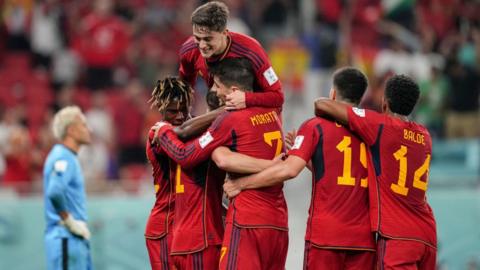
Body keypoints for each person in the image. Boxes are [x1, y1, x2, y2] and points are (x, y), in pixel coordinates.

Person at [223, 67, 376, 269]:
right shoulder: (374, 132)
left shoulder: (315, 126)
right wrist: (307, 155)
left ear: (332, 93)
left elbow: (288, 170)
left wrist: (241, 183)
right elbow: (338, 172)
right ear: (361, 98)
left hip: (325, 237)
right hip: (363, 239)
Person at [154, 58, 288, 270]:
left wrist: (163, 132)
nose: (214, 90)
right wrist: (276, 167)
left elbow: (188, 156)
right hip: (278, 222)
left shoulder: (229, 121)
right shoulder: (273, 115)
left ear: (233, 90)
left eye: (217, 85)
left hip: (246, 220)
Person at [313, 75, 437, 269]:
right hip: (427, 236)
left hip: (397, 237)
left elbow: (323, 104)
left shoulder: (380, 126)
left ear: (385, 103)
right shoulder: (425, 135)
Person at [179, 1, 283, 111]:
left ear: (224, 33)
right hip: (220, 111)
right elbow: (185, 87)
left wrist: (246, 99)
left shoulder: (252, 52)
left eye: (208, 39)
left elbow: (278, 97)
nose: (202, 46)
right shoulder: (188, 51)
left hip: (256, 112)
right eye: (197, 38)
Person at [144, 77, 193, 270]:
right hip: (164, 226)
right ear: (161, 109)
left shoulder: (189, 129)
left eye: (184, 109)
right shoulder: (157, 133)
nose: (180, 115)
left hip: (185, 225)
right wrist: (222, 112)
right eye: (173, 111)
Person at [43, 106, 92, 270]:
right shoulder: (63, 156)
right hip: (66, 237)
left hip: (72, 238)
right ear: (71, 130)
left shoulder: (66, 156)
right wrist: (70, 221)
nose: (88, 129)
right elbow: (55, 191)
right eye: (83, 124)